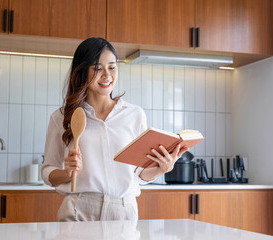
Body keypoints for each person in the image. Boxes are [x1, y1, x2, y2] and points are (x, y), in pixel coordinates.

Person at [41, 37, 189, 222]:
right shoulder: (62, 117)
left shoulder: (134, 114)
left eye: (112, 67)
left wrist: (161, 169)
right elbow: (48, 172)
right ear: (81, 71)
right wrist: (67, 172)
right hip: (79, 211)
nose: (107, 75)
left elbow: (139, 175)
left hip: (123, 210)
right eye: (97, 68)